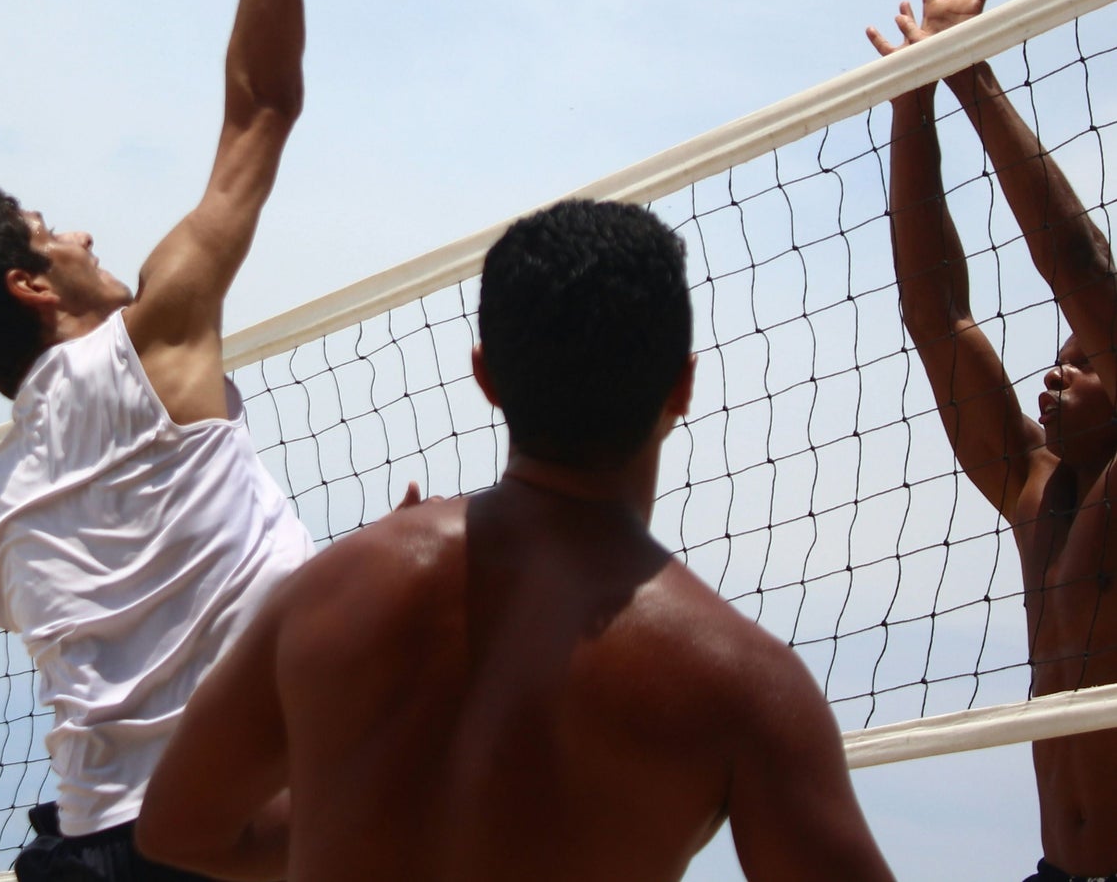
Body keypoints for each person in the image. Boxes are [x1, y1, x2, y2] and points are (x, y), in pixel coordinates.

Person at [0, 0, 397, 881]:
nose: (79, 230)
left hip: (92, 846)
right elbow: (261, 105)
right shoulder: (148, 341)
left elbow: (158, 621)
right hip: (223, 833)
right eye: (49, 230)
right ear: (31, 283)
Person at [135, 197, 897, 882]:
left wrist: (360, 788)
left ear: (484, 375)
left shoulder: (336, 589)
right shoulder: (746, 684)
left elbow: (178, 828)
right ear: (683, 386)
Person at [867, 0, 1117, 882]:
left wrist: (971, 72)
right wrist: (911, 92)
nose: (1054, 370)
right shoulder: (1035, 491)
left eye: (1082, 359)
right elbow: (937, 317)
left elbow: (1080, 269)